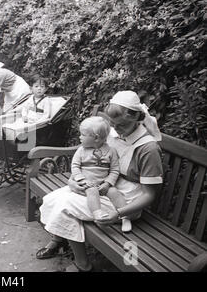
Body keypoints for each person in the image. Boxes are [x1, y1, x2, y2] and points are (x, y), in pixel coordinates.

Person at [35, 90, 163, 272]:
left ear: (137, 118)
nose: (116, 130)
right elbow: (92, 161)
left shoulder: (148, 148)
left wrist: (118, 213)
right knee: (52, 198)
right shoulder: (114, 134)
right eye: (113, 125)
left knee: (65, 206)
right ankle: (59, 240)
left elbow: (150, 194)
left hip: (126, 201)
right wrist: (73, 181)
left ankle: (83, 265)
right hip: (104, 186)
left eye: (122, 125)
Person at [71, 116, 132, 232]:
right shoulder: (81, 151)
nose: (80, 137)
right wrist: (82, 180)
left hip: (103, 183)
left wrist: (108, 183)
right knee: (92, 191)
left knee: (115, 192)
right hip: (88, 184)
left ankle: (125, 217)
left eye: (83, 135)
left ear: (96, 138)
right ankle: (98, 215)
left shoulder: (111, 151)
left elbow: (114, 170)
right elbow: (75, 166)